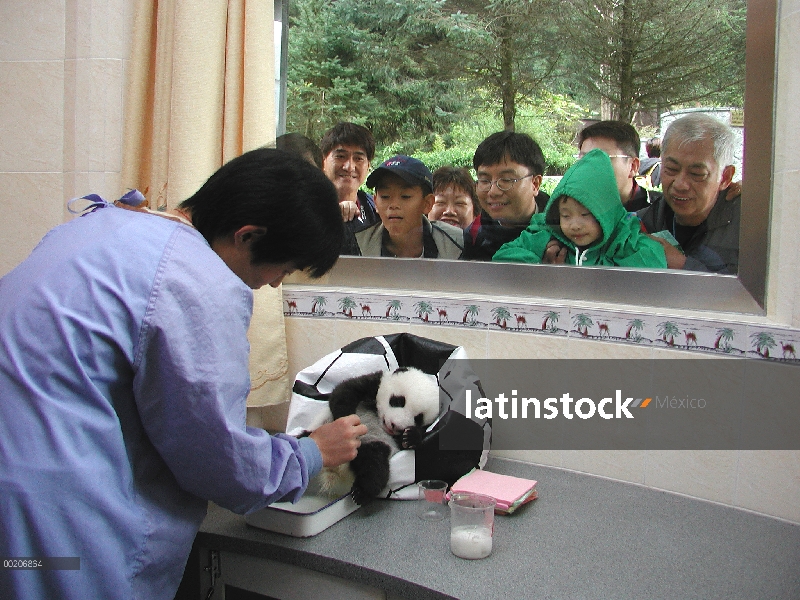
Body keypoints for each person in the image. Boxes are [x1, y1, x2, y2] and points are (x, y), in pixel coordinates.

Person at [0, 148, 368, 600]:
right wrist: (311, 452)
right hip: (55, 531)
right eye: (283, 268)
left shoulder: (102, 225)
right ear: (248, 236)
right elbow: (219, 461)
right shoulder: (197, 283)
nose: (274, 284)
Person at [493, 149, 666, 268]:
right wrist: (540, 269)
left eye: (585, 215)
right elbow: (504, 258)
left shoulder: (625, 241)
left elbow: (651, 271)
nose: (575, 225)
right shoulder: (546, 234)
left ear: (606, 214)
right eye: (566, 216)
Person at [637, 113, 739, 273]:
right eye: (671, 169)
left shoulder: (748, 227)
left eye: (697, 174)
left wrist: (683, 265)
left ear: (725, 177)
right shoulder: (641, 224)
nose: (680, 184)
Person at [345, 155, 464, 258]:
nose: (393, 205)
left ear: (427, 203)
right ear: (375, 202)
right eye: (385, 197)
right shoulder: (357, 243)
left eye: (405, 196)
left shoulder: (456, 243)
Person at [463, 131, 550, 261]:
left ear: (535, 184)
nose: (493, 191)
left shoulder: (561, 230)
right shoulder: (475, 233)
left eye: (506, 180)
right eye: (485, 180)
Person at [577, 120, 657, 212]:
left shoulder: (661, 213)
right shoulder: (569, 211)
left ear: (633, 166)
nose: (589, 169)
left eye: (602, 159)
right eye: (584, 160)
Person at [320, 122, 380, 231]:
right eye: (341, 156)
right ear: (323, 161)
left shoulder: (375, 209)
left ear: (368, 166)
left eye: (358, 159)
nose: (349, 167)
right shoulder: (307, 205)